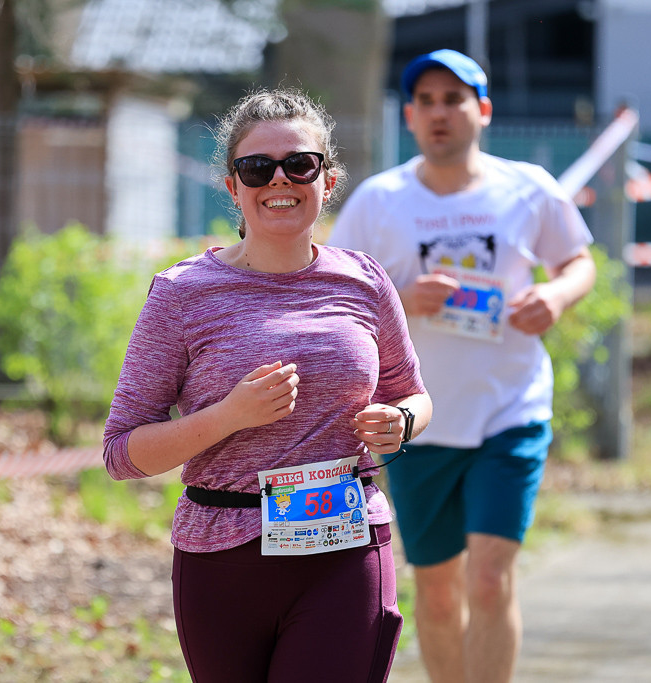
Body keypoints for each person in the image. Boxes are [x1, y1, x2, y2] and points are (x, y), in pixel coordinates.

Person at [103, 88, 433, 682]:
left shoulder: (365, 282)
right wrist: (228, 415)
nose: (278, 179)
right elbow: (121, 453)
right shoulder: (182, 294)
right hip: (221, 554)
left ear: (327, 180)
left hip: (344, 547)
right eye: (257, 167)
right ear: (233, 187)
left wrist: (401, 421)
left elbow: (413, 393)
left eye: (299, 163)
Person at [328, 49, 597, 683]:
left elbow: (578, 263)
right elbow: (336, 294)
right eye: (426, 101)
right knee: (440, 591)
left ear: (483, 111)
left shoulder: (528, 187)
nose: (439, 112)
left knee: (488, 577)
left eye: (454, 99)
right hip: (417, 421)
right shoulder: (379, 200)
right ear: (411, 116)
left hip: (511, 408)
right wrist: (402, 294)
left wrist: (555, 297)